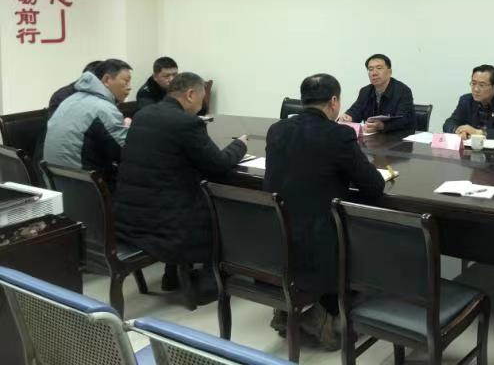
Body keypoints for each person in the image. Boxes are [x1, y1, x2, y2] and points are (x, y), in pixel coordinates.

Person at [263, 73, 385, 349]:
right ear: (333, 102)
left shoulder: (277, 129)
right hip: (319, 239)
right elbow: (374, 186)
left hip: (279, 230)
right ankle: (326, 315)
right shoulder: (338, 135)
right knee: (359, 225)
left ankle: (293, 310)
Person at [115, 72, 247, 298]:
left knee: (179, 191)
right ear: (190, 94)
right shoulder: (186, 123)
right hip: (167, 225)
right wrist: (240, 145)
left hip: (131, 219)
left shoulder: (143, 114)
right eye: (202, 99)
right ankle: (209, 281)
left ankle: (172, 275)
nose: (202, 106)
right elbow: (218, 165)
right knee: (220, 211)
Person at [43, 59, 132, 188]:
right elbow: (125, 152)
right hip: (85, 185)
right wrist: (129, 129)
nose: (130, 86)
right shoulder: (103, 108)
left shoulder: (71, 99)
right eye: (126, 81)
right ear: (107, 80)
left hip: (57, 182)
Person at [339, 53, 415, 133]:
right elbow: (356, 110)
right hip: (373, 137)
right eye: (371, 69)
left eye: (379, 68)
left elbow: (404, 119)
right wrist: (349, 117)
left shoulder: (403, 91)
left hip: (399, 137)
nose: (374, 73)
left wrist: (382, 126)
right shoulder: (365, 91)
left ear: (390, 72)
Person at [443, 64, 494, 141]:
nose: (476, 89)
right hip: (470, 147)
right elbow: (449, 123)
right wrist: (458, 130)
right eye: (473, 83)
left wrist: (480, 133)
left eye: (482, 85)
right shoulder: (466, 100)